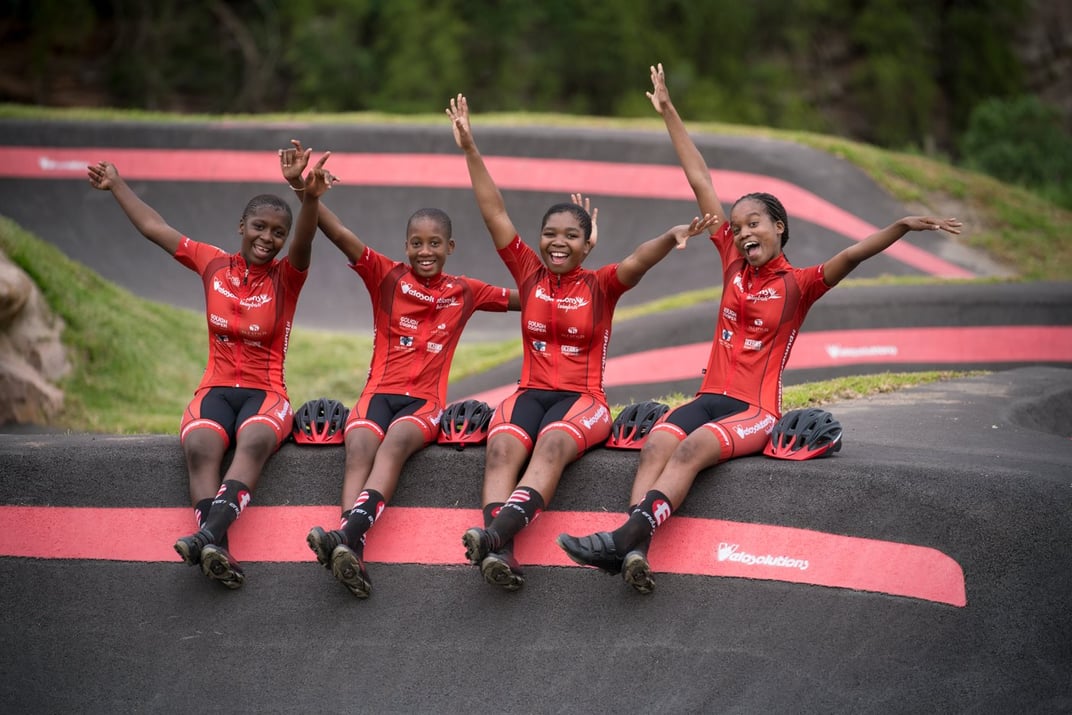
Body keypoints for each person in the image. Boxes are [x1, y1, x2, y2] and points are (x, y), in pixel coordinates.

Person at [556, 63, 963, 594]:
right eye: (740, 224)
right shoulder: (729, 258)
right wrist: (668, 111)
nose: (744, 231)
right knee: (658, 440)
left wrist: (902, 226)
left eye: (755, 223)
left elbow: (853, 254)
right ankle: (634, 548)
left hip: (755, 410)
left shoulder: (801, 284)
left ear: (779, 228)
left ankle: (622, 542)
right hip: (709, 394)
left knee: (689, 449)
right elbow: (700, 177)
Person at [446, 93, 717, 591]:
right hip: (530, 393)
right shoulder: (527, 272)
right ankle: (500, 553)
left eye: (572, 235)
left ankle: (492, 535)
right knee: (501, 447)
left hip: (583, 402)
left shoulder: (602, 284)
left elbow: (638, 259)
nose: (557, 242)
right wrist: (470, 149)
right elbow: (494, 214)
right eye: (550, 233)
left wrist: (672, 234)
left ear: (587, 244)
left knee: (549, 445)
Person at [279, 140, 522, 599]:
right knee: (359, 443)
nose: (424, 251)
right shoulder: (386, 275)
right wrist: (301, 189)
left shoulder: (465, 290)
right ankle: (351, 549)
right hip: (377, 393)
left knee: (391, 446)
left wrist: (577, 268)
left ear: (450, 247)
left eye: (434, 244)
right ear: (404, 246)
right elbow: (338, 233)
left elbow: (532, 298)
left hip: (424, 404)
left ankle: (346, 537)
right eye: (416, 243)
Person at [86, 151, 333, 589]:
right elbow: (155, 229)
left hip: (266, 392)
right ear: (242, 227)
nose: (268, 238)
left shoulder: (287, 277)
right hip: (215, 388)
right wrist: (116, 185)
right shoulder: (212, 264)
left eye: (278, 233)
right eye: (259, 227)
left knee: (254, 440)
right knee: (200, 447)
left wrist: (307, 196)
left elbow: (307, 239)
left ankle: (206, 536)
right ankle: (217, 547)